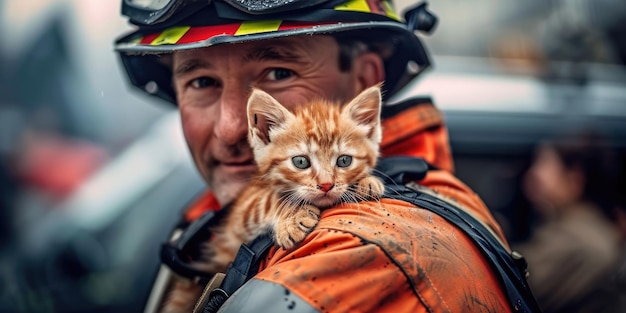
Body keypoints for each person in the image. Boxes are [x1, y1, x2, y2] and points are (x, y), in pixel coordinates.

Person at [115, 1, 533, 312]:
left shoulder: (368, 252)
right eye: (201, 81)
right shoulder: (207, 218)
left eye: (279, 74)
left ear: (364, 83)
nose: (231, 128)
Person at [514, 131, 623, 313]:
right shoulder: (591, 228)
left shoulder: (575, 240)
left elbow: (513, 289)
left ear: (574, 180)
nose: (532, 177)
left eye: (544, 166)